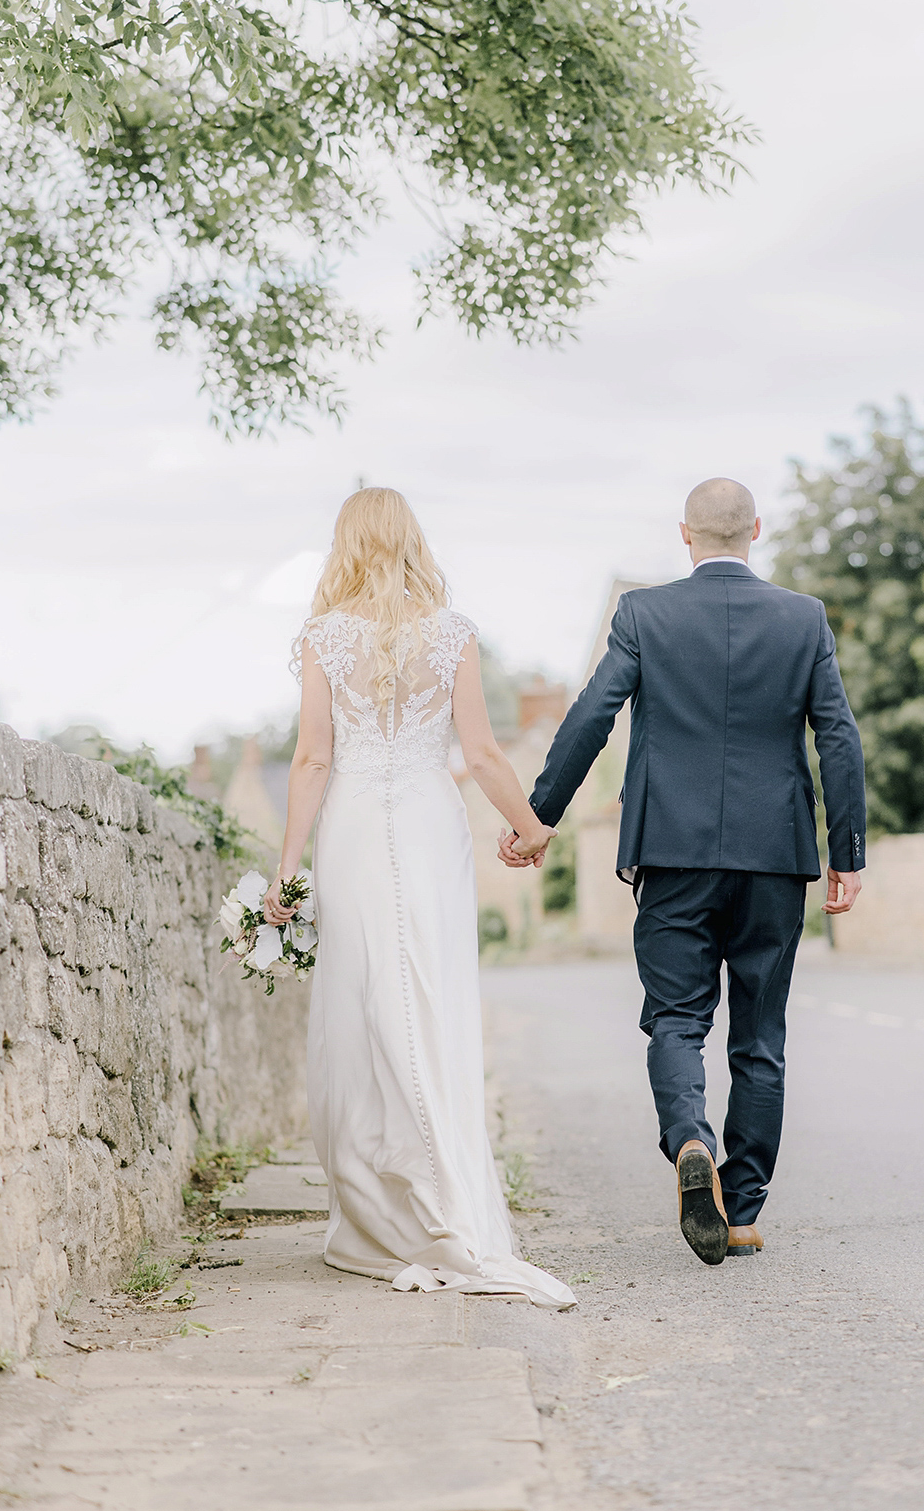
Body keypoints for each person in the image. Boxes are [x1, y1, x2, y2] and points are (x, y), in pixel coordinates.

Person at [499, 478, 865, 1266]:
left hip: (672, 852)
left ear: (686, 535)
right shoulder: (804, 618)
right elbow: (837, 735)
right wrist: (849, 854)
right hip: (775, 858)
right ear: (756, 530)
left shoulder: (644, 615)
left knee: (676, 1021)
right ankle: (740, 1212)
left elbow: (592, 714)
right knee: (760, 1036)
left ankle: (690, 1139)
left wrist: (539, 818)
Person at [263, 487, 573, 1308]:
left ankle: (381, 1207)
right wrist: (530, 826)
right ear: (411, 541)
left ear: (346, 544)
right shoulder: (452, 635)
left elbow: (311, 761)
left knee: (366, 1004)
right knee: (427, 1001)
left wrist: (286, 869)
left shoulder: (324, 638)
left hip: (357, 825)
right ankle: (442, 1198)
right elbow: (482, 751)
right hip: (432, 825)